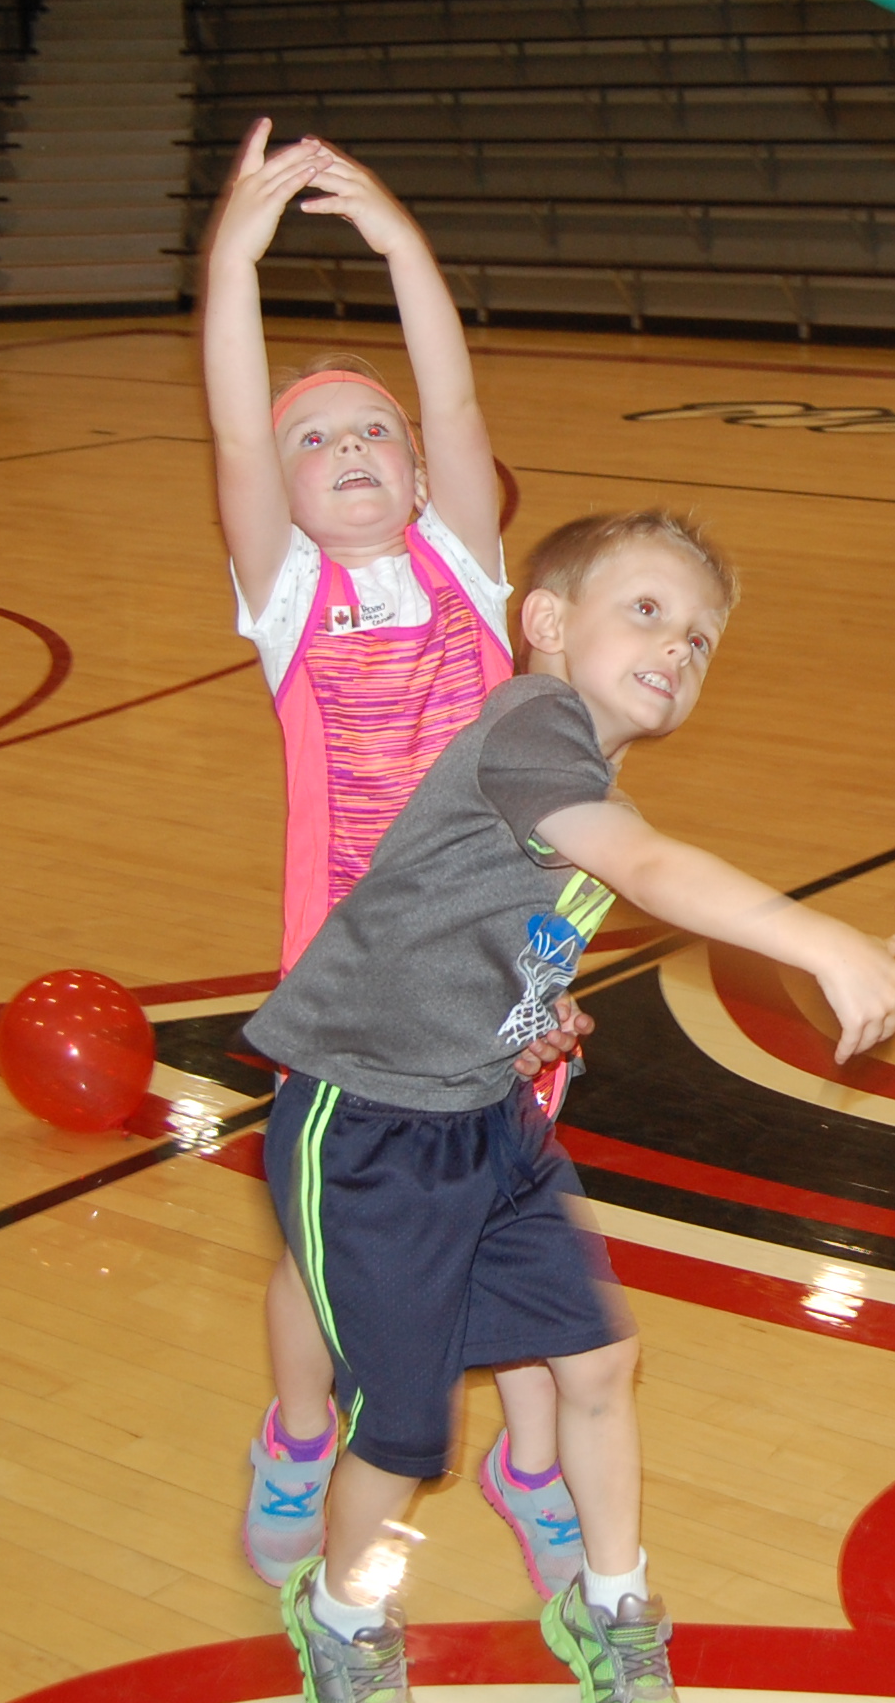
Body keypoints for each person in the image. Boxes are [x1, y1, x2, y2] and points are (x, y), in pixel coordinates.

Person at [248, 507, 895, 1703]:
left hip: (486, 1116)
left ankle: (614, 1604)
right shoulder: (531, 721)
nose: (679, 647)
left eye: (702, 638)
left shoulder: (577, 765)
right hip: (366, 1125)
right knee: (404, 1429)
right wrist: (814, 935)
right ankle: (342, 1613)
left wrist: (528, 1009)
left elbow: (494, 921)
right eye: (649, 611)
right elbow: (647, 865)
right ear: (548, 622)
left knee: (601, 1359)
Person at [199, 119, 585, 1605]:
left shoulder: (473, 571)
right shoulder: (290, 603)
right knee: (329, 1252)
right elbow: (236, 426)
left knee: (517, 1201)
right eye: (317, 440)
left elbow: (456, 383)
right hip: (353, 997)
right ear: (279, 494)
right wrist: (236, 251)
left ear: (428, 474)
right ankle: (300, 1437)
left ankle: (534, 1468)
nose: (348, 450)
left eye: (374, 434)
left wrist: (398, 243)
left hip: (506, 973)